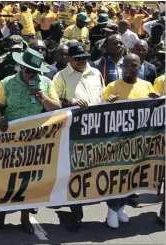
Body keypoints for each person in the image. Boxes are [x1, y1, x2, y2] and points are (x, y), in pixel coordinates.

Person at [0, 49, 60, 234]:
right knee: (6, 179)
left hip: (35, 140)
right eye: (28, 70)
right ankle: (0, 216)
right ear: (21, 67)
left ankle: (25, 217)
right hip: (10, 139)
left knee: (29, 182)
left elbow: (57, 108)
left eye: (34, 72)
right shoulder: (8, 83)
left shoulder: (45, 83)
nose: (30, 74)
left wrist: (42, 97)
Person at [103, 54, 160, 229]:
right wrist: (108, 102)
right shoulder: (112, 86)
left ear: (139, 66)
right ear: (122, 67)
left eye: (133, 65)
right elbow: (100, 113)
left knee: (132, 177)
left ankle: (120, 208)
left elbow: (154, 111)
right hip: (118, 143)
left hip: (139, 143)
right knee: (117, 177)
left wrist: (156, 99)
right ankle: (112, 210)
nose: (129, 68)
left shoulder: (147, 85)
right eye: (126, 65)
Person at [53, 42, 104, 232]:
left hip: (97, 131)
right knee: (74, 173)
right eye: (78, 59)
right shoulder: (61, 77)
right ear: (69, 59)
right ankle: (76, 214)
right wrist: (71, 103)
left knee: (92, 171)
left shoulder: (96, 73)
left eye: (85, 58)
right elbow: (55, 104)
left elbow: (103, 95)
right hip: (73, 132)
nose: (83, 61)